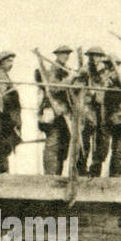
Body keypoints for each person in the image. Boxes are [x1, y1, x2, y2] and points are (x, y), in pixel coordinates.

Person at [36, 44, 75, 175]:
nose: (66, 56)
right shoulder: (54, 69)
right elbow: (53, 87)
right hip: (53, 111)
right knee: (53, 142)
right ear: (57, 55)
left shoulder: (64, 69)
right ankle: (50, 175)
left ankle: (56, 173)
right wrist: (69, 80)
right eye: (63, 53)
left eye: (67, 54)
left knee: (64, 142)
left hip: (63, 112)